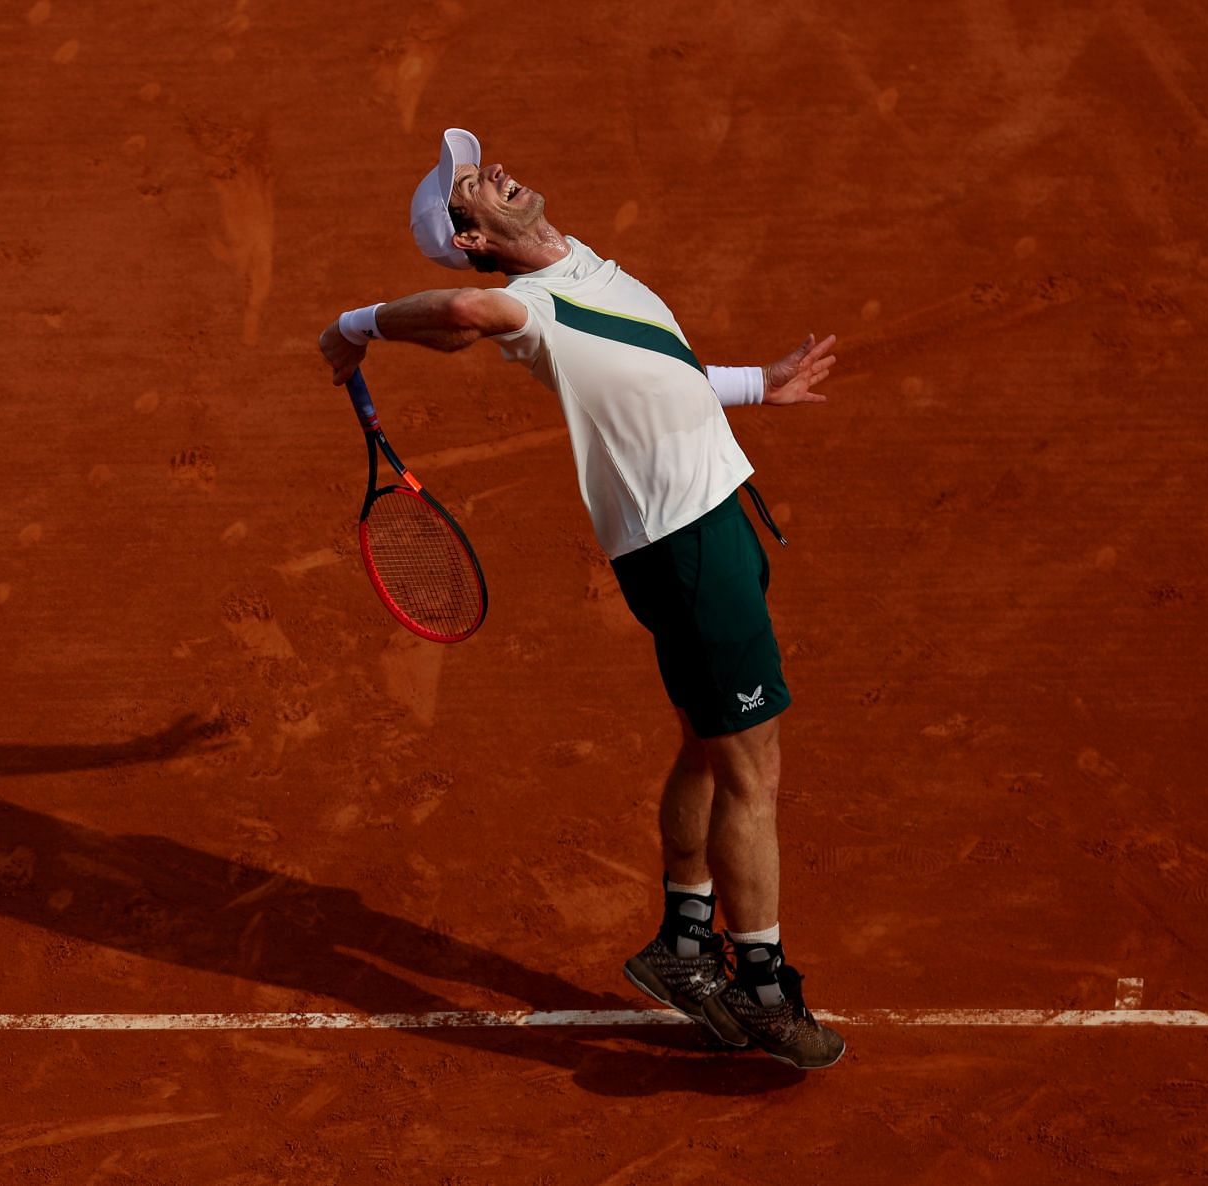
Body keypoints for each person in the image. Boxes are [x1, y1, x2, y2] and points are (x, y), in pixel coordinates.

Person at [317, 129, 843, 1069]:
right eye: (475, 188)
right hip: (687, 548)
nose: (498, 173)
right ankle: (763, 986)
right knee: (754, 773)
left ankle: (685, 942)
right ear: (472, 236)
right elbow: (465, 311)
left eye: (485, 166)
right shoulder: (525, 305)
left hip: (710, 524)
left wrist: (760, 385)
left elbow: (654, 373)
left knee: (705, 744)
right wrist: (354, 326)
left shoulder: (581, 266)